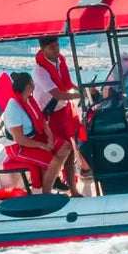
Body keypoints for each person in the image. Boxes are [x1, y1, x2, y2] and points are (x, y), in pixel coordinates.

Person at [2, 71, 78, 196]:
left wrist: (50, 136)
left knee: (66, 147)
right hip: (18, 147)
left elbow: (41, 121)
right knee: (54, 162)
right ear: (29, 86)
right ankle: (46, 194)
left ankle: (53, 180)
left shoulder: (29, 100)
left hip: (34, 137)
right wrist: (41, 146)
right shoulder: (13, 108)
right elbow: (19, 138)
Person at [33, 35, 91, 176]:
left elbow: (66, 83)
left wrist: (82, 90)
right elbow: (58, 94)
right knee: (62, 148)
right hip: (51, 113)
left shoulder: (58, 61)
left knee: (78, 135)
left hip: (64, 107)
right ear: (43, 49)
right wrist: (83, 96)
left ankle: (86, 168)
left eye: (57, 45)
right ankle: (60, 177)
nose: (56, 49)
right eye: (52, 47)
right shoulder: (40, 71)